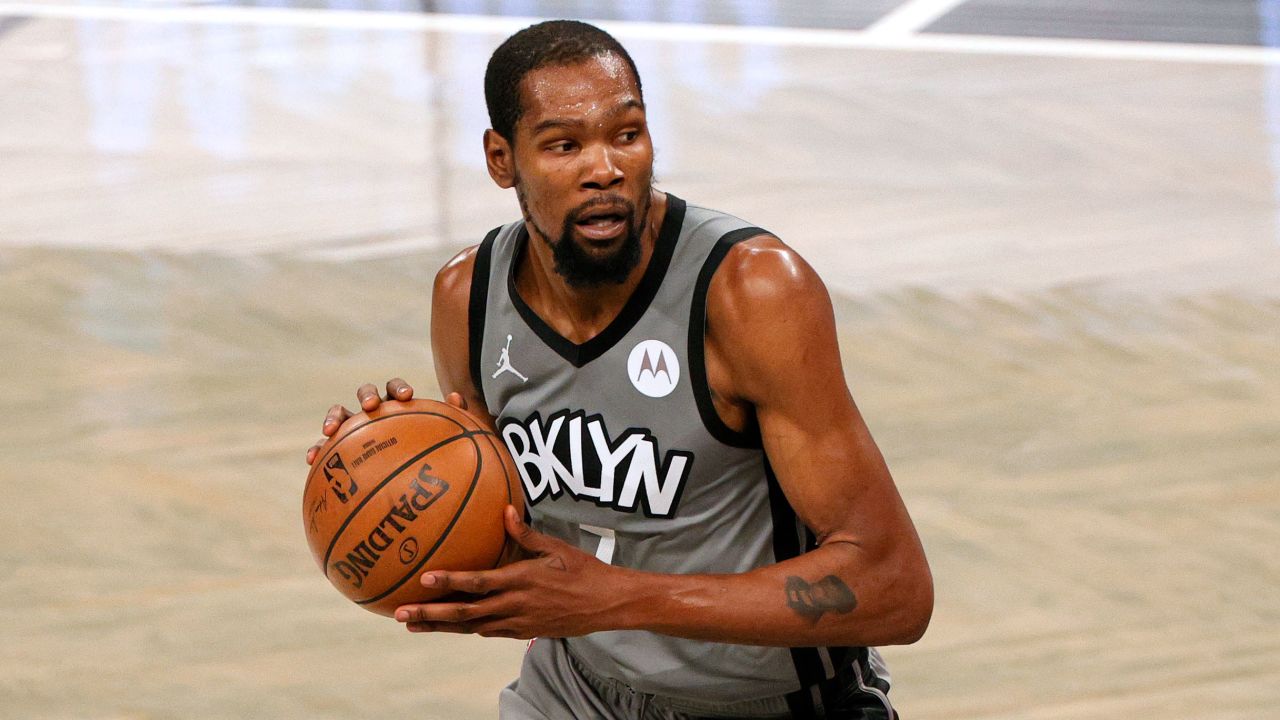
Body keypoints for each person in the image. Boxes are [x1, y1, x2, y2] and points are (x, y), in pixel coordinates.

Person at [306, 20, 932, 720]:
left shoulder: (750, 292)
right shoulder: (468, 297)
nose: (604, 168)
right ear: (501, 158)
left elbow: (894, 589)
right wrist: (387, 455)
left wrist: (615, 597)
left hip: (771, 705)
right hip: (572, 692)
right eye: (564, 145)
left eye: (626, 135)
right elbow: (501, 533)